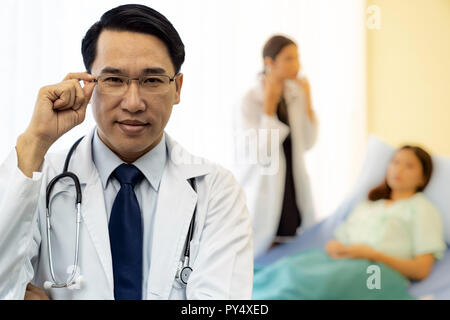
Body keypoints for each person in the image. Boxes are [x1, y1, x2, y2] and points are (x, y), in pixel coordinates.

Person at [0, 4, 253, 300]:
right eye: (114, 80)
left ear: (177, 88)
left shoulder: (216, 191)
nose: (133, 103)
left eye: (152, 80)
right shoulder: (40, 181)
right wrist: (35, 139)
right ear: (87, 86)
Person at [252, 145, 446, 299]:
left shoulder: (422, 209)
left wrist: (374, 255)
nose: (398, 169)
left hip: (376, 273)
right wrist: (335, 247)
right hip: (339, 261)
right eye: (395, 162)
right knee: (287, 271)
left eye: (409, 166)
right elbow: (339, 240)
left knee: (309, 285)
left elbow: (422, 270)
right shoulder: (370, 205)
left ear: (422, 178)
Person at [234, 35, 318, 258]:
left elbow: (308, 143)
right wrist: (269, 109)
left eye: (297, 58)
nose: (297, 65)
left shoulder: (296, 94)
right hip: (265, 190)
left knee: (294, 247)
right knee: (263, 250)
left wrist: (308, 100)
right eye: (289, 59)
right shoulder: (250, 99)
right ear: (270, 63)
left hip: (293, 185)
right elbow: (261, 154)